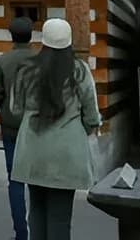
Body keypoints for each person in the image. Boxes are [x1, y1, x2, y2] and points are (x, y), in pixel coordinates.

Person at [10, 18, 101, 240]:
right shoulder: (79, 71)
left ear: (44, 40)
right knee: (60, 218)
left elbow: (15, 108)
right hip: (66, 153)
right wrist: (88, 127)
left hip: (33, 150)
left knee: (37, 211)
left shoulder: (27, 70)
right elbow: (91, 111)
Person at [0, 16, 36, 240]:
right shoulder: (40, 59)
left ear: (11, 35)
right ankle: (39, 231)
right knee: (37, 180)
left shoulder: (2, 61)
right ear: (31, 35)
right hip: (36, 127)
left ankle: (21, 234)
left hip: (11, 127)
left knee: (15, 180)